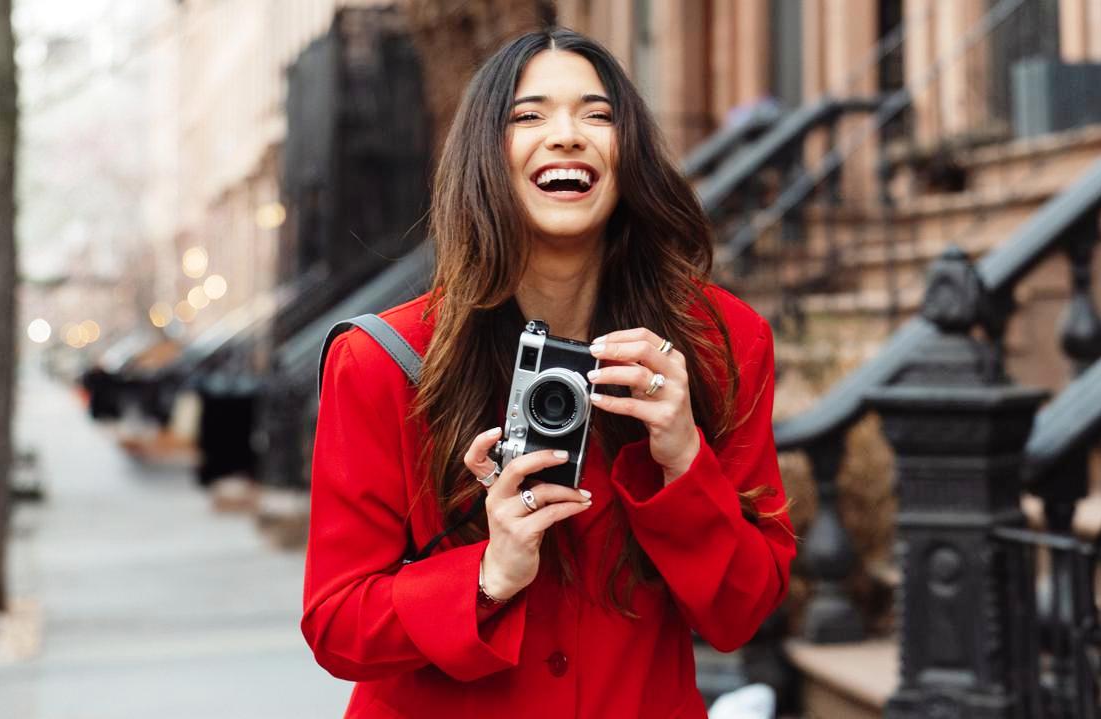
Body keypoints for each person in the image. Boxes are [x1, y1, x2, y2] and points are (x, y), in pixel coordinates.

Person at [302, 26, 796, 719]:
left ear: (629, 154)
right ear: (485, 156)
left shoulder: (716, 344)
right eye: (527, 116)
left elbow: (741, 611)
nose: (567, 135)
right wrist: (486, 574)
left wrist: (684, 457)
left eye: (597, 114)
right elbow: (336, 624)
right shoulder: (387, 359)